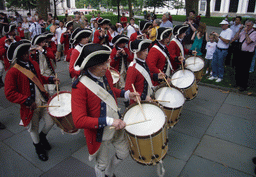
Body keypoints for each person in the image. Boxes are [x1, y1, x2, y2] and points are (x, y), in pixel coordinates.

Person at [71, 43, 139, 177]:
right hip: (100, 133)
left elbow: (109, 91)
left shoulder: (106, 73)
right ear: (91, 66)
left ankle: (109, 173)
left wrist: (126, 94)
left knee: (124, 153)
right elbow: (78, 121)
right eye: (102, 63)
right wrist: (109, 121)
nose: (106, 66)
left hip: (117, 123)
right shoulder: (79, 87)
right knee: (101, 164)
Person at [5, 40, 59, 161]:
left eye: (27, 52)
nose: (27, 55)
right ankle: (38, 148)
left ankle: (43, 137)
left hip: (43, 100)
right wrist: (26, 100)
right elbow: (9, 93)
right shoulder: (13, 71)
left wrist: (50, 80)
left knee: (51, 121)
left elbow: (38, 79)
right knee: (33, 128)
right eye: (24, 53)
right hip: (30, 106)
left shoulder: (33, 63)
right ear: (18, 56)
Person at [125, 39, 165, 104]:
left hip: (147, 99)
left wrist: (156, 76)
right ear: (137, 52)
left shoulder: (144, 62)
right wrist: (143, 96)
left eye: (146, 50)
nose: (146, 53)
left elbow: (144, 77)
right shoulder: (132, 68)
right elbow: (128, 89)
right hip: (137, 102)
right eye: (144, 51)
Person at [232, 20, 256, 91]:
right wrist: (239, 30)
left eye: (248, 25)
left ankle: (243, 85)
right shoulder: (242, 32)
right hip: (240, 52)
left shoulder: (254, 33)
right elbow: (236, 37)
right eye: (246, 25)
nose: (247, 27)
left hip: (247, 53)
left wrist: (246, 33)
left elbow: (248, 41)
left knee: (245, 69)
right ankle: (237, 82)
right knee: (238, 68)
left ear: (252, 26)